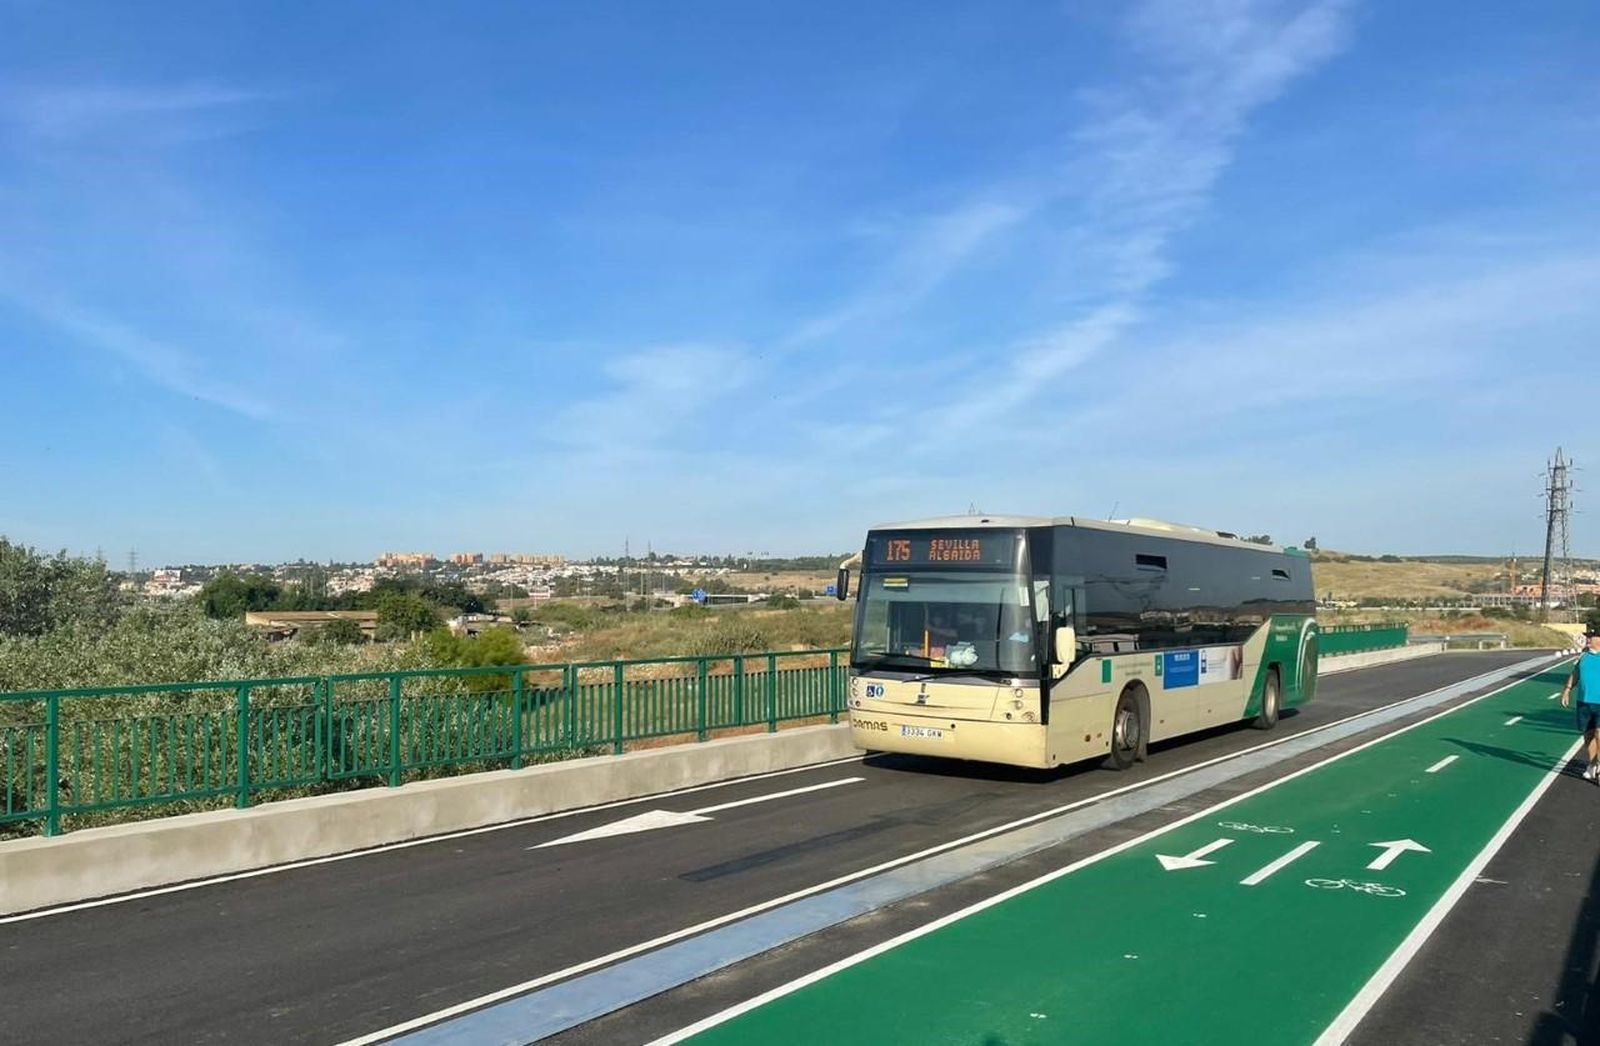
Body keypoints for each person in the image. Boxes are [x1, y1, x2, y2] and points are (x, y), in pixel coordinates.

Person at [1560, 627, 1600, 781]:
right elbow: (1575, 673)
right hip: (1584, 702)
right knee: (1588, 734)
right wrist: (1567, 689)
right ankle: (1592, 764)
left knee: (1599, 733)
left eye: (1591, 637)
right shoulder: (1584, 656)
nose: (1587, 639)